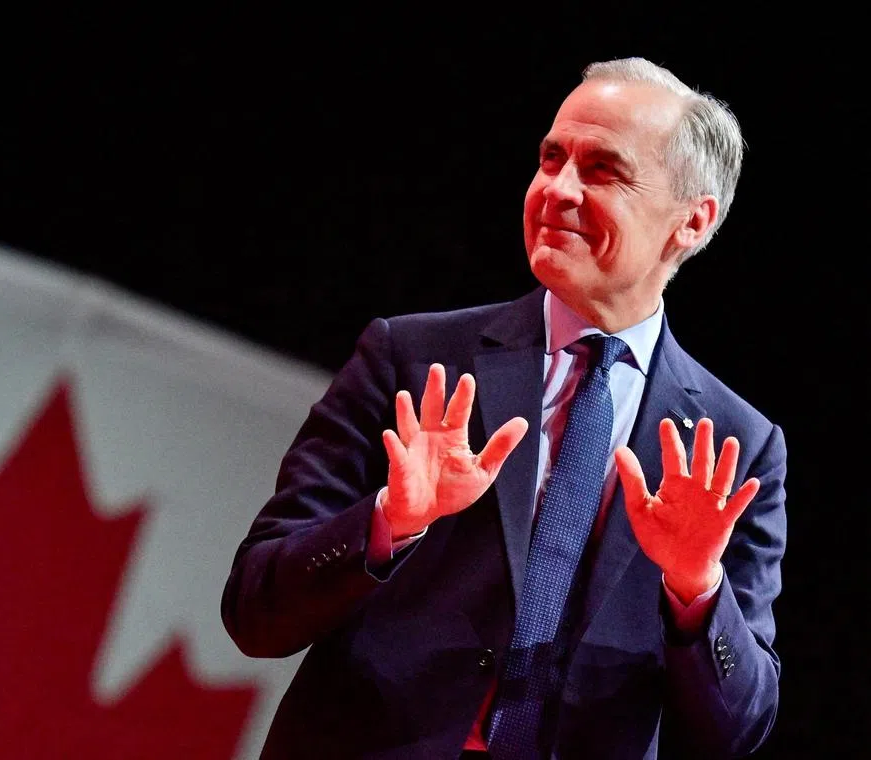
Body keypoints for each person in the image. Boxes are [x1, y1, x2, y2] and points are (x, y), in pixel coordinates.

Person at [221, 56, 785, 760]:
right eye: (552, 159)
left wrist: (698, 587)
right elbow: (254, 612)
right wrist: (388, 524)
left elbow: (739, 728)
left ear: (691, 223)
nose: (558, 191)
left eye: (602, 170)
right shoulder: (413, 358)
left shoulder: (733, 446)